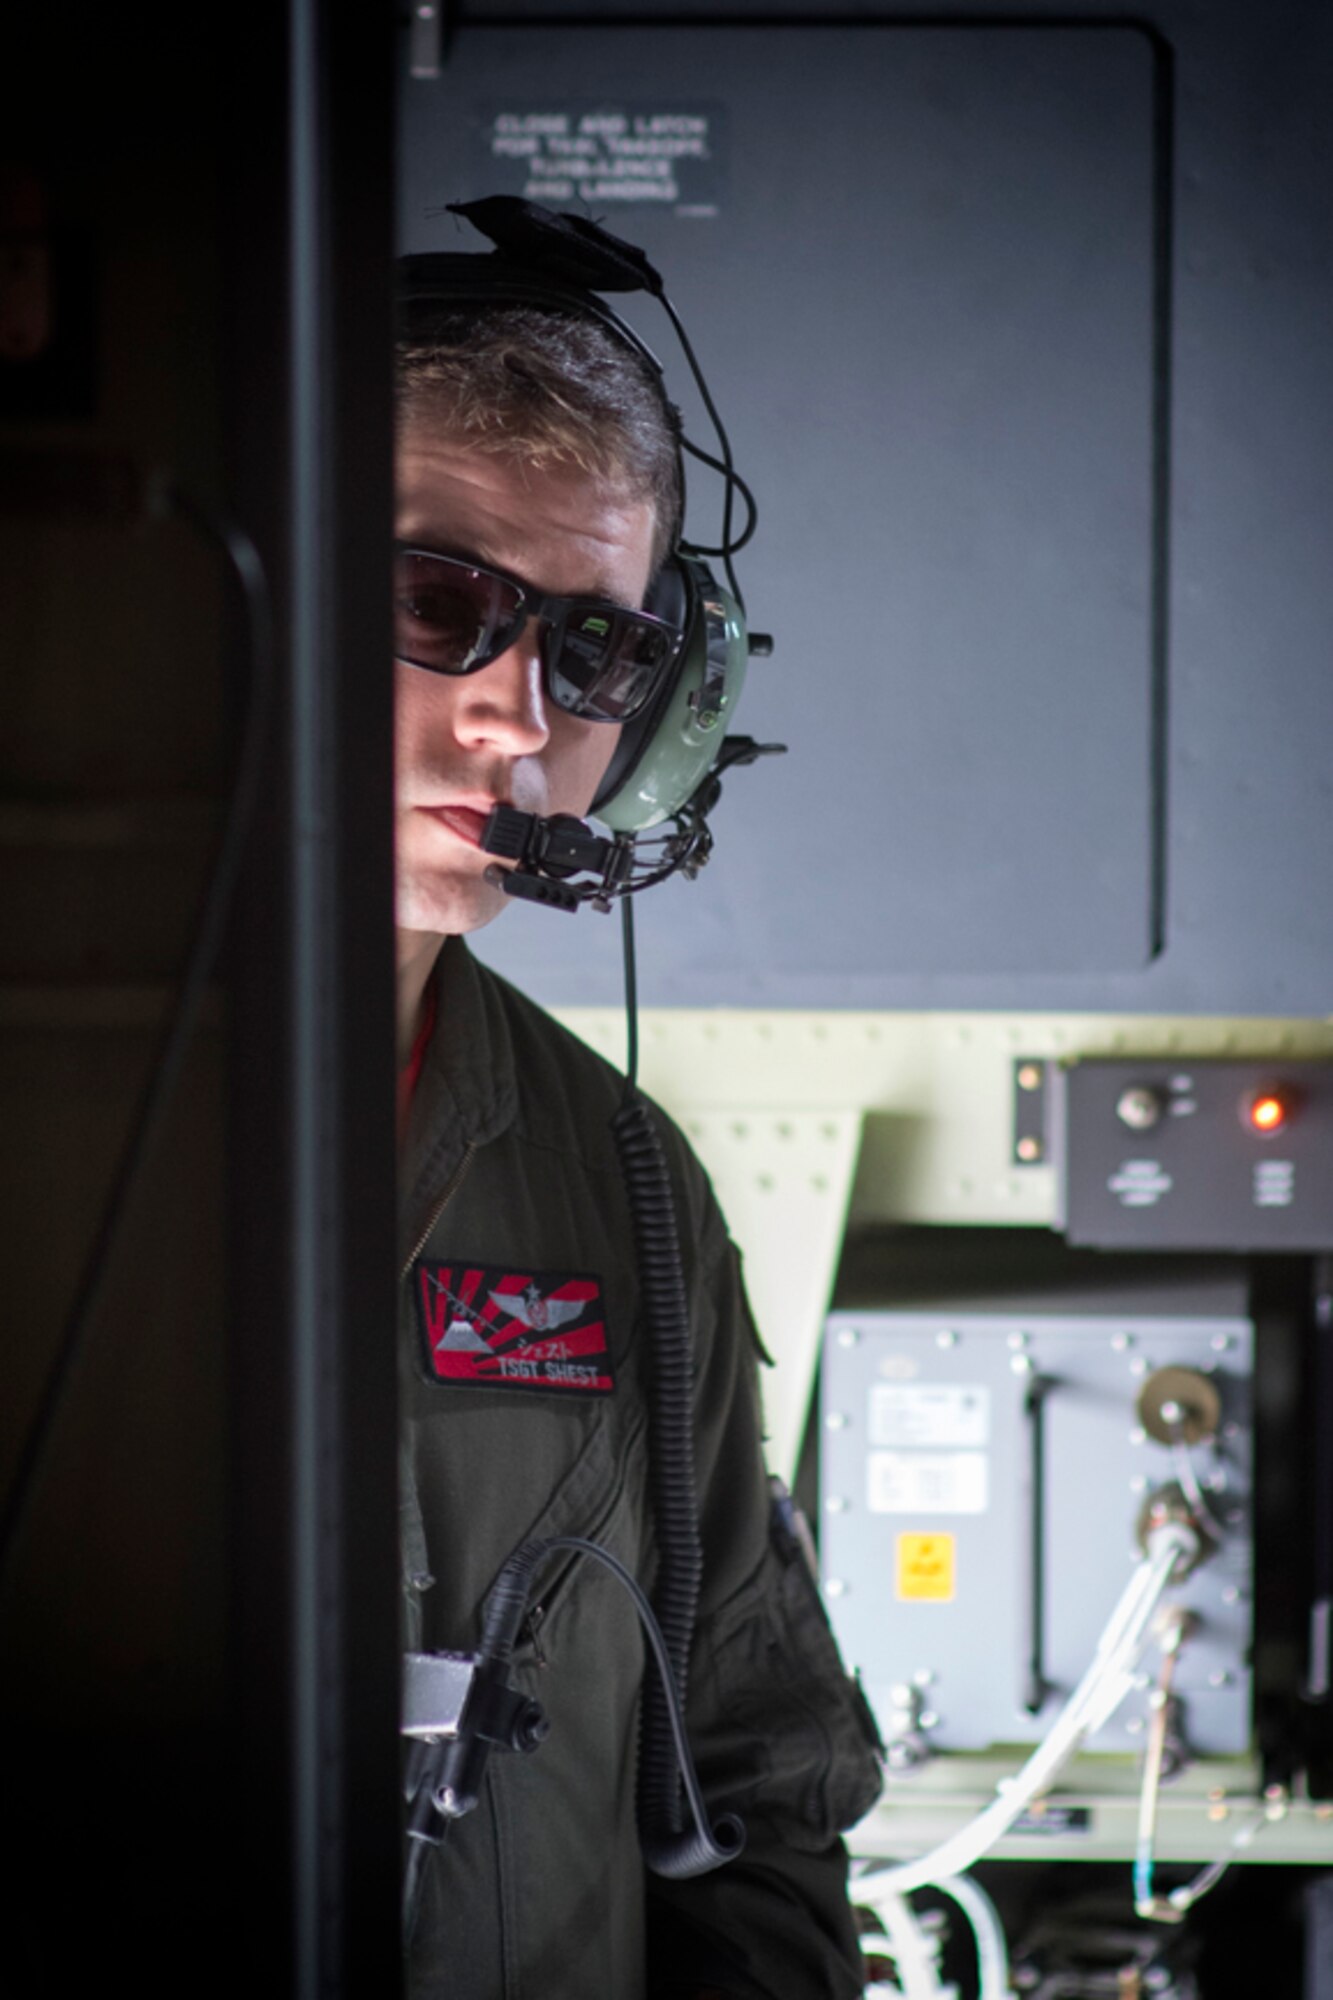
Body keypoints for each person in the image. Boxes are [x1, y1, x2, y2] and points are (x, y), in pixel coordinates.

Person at [394, 202, 882, 1998]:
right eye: (438, 603)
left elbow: (757, 1767)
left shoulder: (624, 1179)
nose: (517, 719)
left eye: (592, 655)